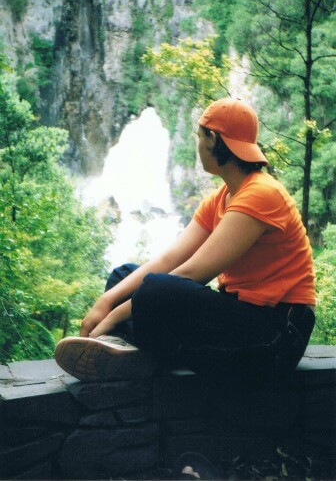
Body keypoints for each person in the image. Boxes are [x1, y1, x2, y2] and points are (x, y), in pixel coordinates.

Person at [55, 98, 316, 384]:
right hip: (242, 319)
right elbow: (171, 258)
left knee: (156, 289)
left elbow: (193, 273)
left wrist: (113, 317)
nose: (198, 143)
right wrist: (107, 299)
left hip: (277, 335)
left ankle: (144, 351)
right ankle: (141, 353)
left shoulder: (262, 193)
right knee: (123, 277)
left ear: (212, 139)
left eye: (199, 135)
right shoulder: (221, 197)